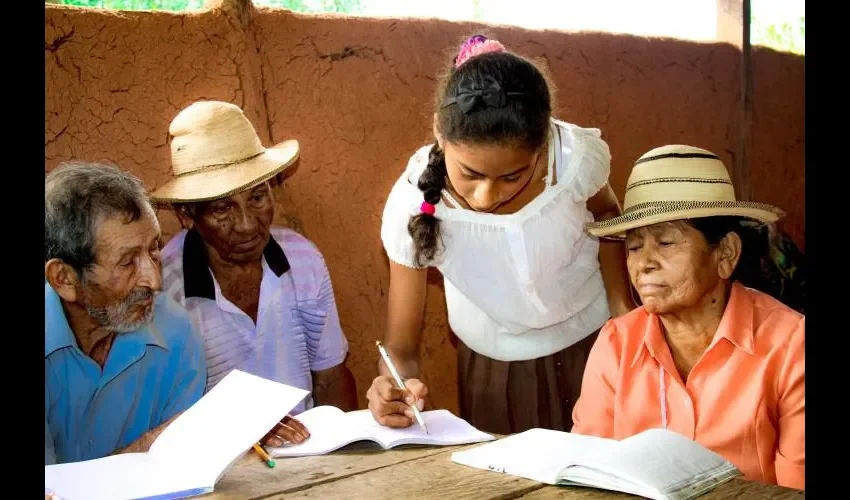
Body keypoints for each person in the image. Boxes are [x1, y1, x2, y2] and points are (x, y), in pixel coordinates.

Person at [367, 34, 633, 434]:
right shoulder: (414, 206)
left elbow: (609, 216)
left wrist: (622, 312)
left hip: (593, 344)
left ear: (543, 145)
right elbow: (400, 349)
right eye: (470, 174)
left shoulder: (573, 161)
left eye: (512, 176)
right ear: (439, 132)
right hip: (494, 370)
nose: (486, 195)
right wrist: (394, 387)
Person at [572, 145, 804, 490]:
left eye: (665, 242)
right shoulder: (617, 343)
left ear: (725, 253)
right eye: (634, 246)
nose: (643, 263)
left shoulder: (790, 344)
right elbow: (588, 473)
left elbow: (796, 486)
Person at [153, 100, 357, 447]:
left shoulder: (302, 259)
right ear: (187, 215)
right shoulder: (165, 289)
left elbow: (330, 377)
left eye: (258, 198)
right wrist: (244, 434)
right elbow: (168, 424)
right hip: (219, 467)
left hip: (308, 454)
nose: (248, 224)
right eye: (222, 208)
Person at [45, 162, 207, 465]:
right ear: (64, 279)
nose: (154, 281)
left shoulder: (174, 332)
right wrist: (145, 449)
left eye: (153, 250)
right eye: (127, 262)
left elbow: (185, 470)